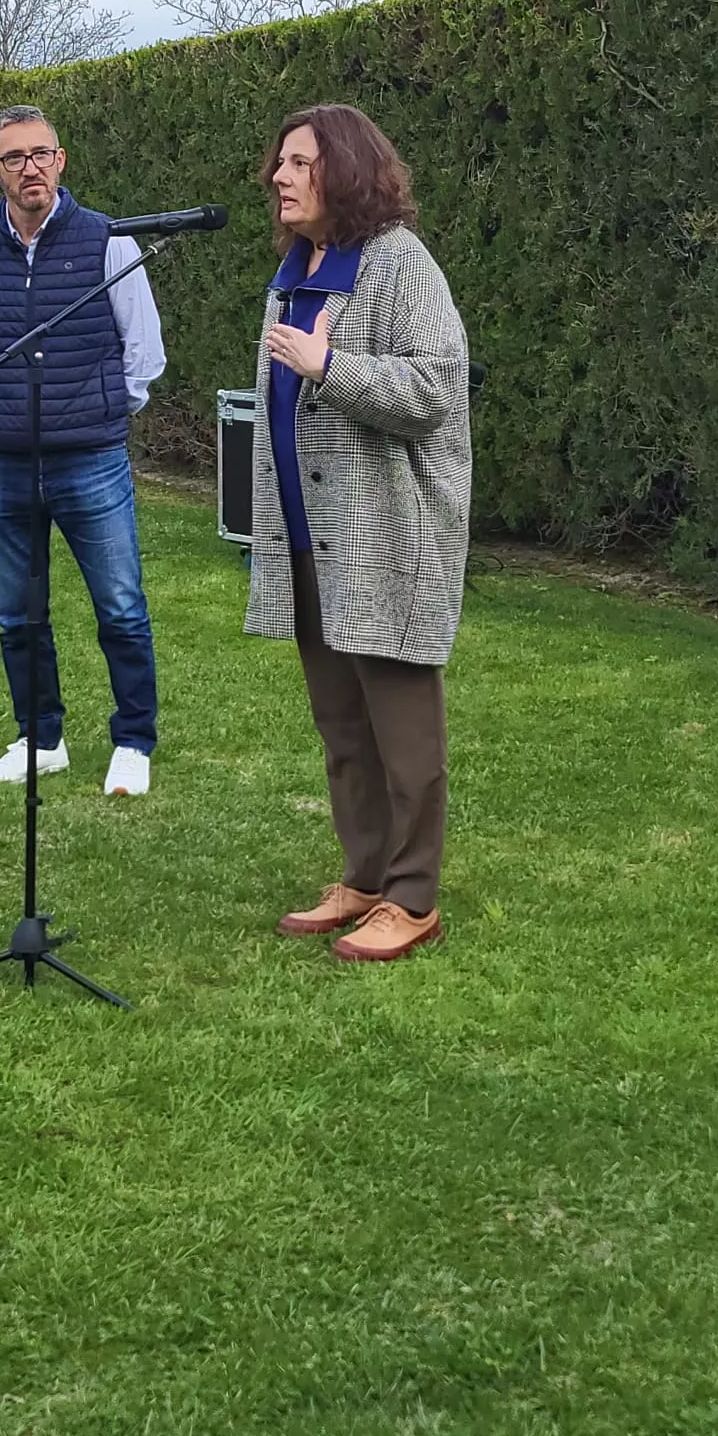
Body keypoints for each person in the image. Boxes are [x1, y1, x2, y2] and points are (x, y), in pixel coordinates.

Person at [245, 104, 471, 962]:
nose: (280, 176)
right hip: (311, 534)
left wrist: (330, 367)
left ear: (345, 170)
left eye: (300, 163)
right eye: (281, 161)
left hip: (385, 533)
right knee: (342, 726)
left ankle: (412, 898)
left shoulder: (398, 263)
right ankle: (365, 875)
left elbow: (436, 388)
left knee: (403, 734)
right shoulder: (296, 270)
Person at [0, 105, 165, 796]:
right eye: (15, 158)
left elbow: (143, 351)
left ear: (61, 160)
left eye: (41, 154)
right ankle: (40, 740)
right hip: (5, 462)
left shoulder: (109, 240)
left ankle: (133, 741)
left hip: (90, 459)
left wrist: (101, 410)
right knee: (17, 614)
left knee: (120, 606)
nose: (31, 168)